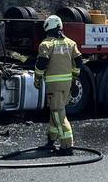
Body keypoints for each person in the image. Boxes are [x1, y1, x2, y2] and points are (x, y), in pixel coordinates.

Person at [33, 15, 83, 155]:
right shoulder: (71, 43)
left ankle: (67, 146)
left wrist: (37, 78)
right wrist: (74, 77)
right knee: (55, 112)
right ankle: (51, 140)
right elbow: (79, 62)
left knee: (58, 113)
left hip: (54, 86)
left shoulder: (46, 44)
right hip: (67, 85)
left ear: (48, 28)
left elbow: (41, 64)